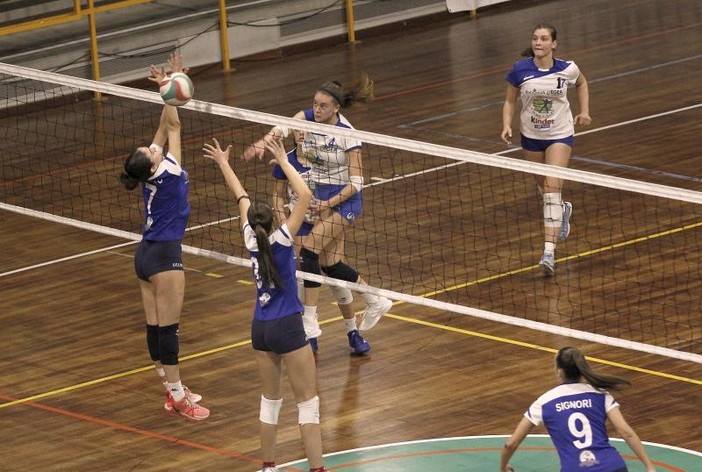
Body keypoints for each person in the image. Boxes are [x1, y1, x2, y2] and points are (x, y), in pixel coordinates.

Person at [204, 136, 327, 472]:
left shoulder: (250, 238)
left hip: (260, 328)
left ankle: (269, 467)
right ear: (274, 218)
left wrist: (224, 163)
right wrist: (284, 162)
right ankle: (318, 470)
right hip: (288, 325)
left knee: (270, 402)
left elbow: (240, 196)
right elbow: (304, 195)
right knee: (308, 404)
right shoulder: (284, 238)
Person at [243, 74, 393, 350]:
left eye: (323, 106)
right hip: (319, 198)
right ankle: (373, 300)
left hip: (344, 198)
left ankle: (312, 321)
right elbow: (283, 127)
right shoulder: (306, 122)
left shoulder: (349, 135)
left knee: (310, 253)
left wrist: (328, 203)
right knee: (331, 265)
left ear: (336, 108)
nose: (317, 109)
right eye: (315, 104)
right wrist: (262, 143)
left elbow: (357, 182)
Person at [119, 52, 209, 421]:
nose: (150, 147)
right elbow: (173, 127)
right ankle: (177, 398)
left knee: (155, 326)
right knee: (169, 331)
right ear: (153, 163)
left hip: (145, 256)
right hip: (165, 258)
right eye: (149, 151)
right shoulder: (169, 172)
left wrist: (166, 88)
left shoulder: (150, 170)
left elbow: (164, 126)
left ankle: (170, 386)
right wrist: (168, 83)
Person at [501, 24, 591, 276]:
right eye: (534, 38)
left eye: (543, 39)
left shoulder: (567, 69)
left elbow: (582, 83)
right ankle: (562, 210)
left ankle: (548, 252)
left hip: (560, 134)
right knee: (544, 188)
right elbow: (509, 100)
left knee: (552, 189)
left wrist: (584, 111)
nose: (538, 42)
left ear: (554, 44)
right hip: (531, 136)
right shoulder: (520, 70)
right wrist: (506, 124)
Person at [270, 129, 371, 355]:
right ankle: (309, 329)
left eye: (306, 130)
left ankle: (352, 331)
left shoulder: (325, 158)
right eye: (297, 131)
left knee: (334, 275)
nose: (302, 134)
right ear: (292, 135)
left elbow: (349, 181)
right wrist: (283, 220)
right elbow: (277, 194)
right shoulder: (285, 160)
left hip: (327, 219)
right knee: (305, 277)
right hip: (301, 223)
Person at [500, 346, 656, 472]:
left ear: (559, 372)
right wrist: (649, 466)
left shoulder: (544, 402)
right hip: (613, 466)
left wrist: (503, 468)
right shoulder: (601, 395)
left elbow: (510, 444)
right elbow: (626, 432)